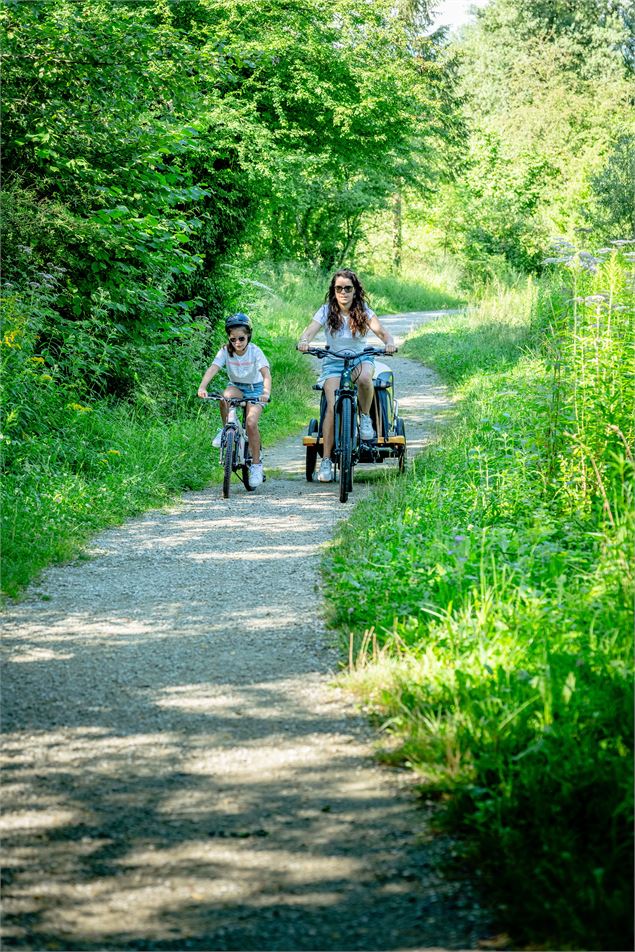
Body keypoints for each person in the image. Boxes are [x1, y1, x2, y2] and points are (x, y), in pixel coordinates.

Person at [297, 269, 396, 482]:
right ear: (333, 291)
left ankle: (365, 417)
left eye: (348, 288)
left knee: (364, 379)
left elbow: (382, 332)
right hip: (333, 363)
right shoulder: (325, 311)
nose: (343, 292)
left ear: (355, 291)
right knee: (332, 408)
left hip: (360, 360)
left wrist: (389, 343)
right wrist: (304, 341)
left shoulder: (364, 312)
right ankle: (325, 462)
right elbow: (309, 331)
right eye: (339, 288)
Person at [197, 313, 271, 489]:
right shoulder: (225, 351)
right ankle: (226, 430)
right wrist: (202, 386)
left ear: (248, 336)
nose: (237, 343)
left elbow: (266, 374)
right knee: (225, 398)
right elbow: (213, 368)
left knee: (251, 422)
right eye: (233, 339)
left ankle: (256, 465)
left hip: (255, 389)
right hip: (236, 386)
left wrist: (266, 392)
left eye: (241, 338)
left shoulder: (255, 351)